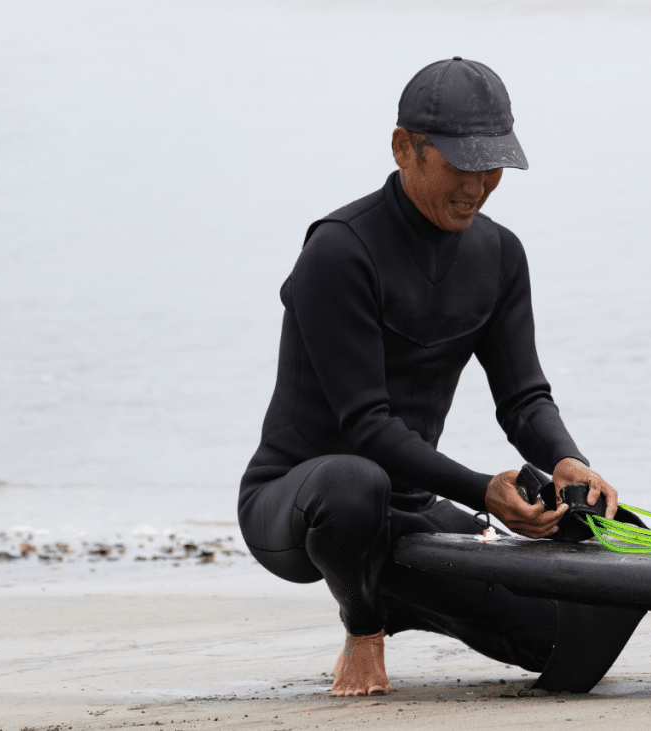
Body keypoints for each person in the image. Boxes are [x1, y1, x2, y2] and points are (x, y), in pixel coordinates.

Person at [237, 57, 619, 697]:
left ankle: (394, 588)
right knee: (357, 482)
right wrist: (480, 490)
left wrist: (566, 459)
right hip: (303, 503)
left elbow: (524, 398)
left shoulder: (500, 255)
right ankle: (364, 627)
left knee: (556, 637)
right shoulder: (339, 251)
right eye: (460, 165)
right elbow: (367, 426)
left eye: (492, 166)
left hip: (406, 510)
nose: (478, 185)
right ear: (403, 148)